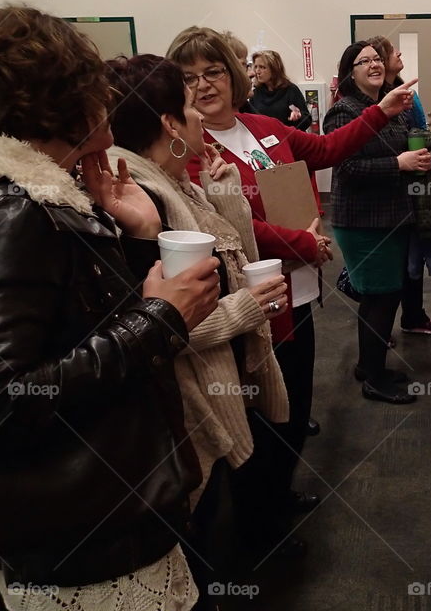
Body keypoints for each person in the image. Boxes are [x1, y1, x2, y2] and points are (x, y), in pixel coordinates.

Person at [0, 6, 221, 610]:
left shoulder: (44, 194)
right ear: (54, 99)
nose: (108, 98)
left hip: (99, 508)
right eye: (93, 84)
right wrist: (158, 319)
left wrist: (139, 236)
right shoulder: (9, 210)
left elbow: (78, 326)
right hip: (78, 536)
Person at [166, 26, 416, 544]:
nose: (203, 85)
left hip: (296, 293)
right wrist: (303, 245)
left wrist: (381, 111)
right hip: (251, 301)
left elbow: (325, 150)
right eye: (189, 77)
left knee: (296, 405)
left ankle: (277, 492)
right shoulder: (188, 146)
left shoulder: (262, 125)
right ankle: (258, 518)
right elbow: (226, 226)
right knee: (260, 413)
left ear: (233, 75)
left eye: (212, 71)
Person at [105, 54, 291, 597]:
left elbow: (233, 257)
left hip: (209, 384)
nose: (199, 115)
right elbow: (178, 320)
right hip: (189, 402)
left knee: (216, 522)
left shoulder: (170, 181)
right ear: (168, 123)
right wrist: (248, 308)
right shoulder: (146, 194)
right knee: (203, 533)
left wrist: (227, 192)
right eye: (188, 104)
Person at [324, 41, 431, 404]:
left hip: (391, 214)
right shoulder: (344, 111)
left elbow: (404, 144)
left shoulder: (391, 103)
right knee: (380, 296)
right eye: (363, 61)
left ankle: (367, 365)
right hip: (361, 220)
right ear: (350, 71)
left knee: (383, 295)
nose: (373, 64)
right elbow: (348, 168)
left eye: (376, 59)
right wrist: (398, 164)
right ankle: (374, 379)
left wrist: (419, 155)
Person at [368, 35, 431, 336]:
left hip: (412, 185)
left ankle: (412, 317)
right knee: (391, 262)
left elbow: (420, 131)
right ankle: (380, 333)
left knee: (412, 254)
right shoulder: (372, 99)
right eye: (392, 51)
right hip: (386, 188)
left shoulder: (406, 93)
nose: (398, 53)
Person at [249, 49, 312, 131]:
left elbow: (307, 120)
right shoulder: (256, 93)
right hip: (265, 140)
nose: (257, 71)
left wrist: (298, 117)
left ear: (274, 69)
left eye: (262, 67)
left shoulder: (291, 90)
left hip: (288, 139)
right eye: (256, 67)